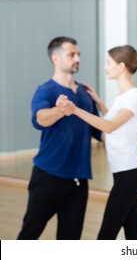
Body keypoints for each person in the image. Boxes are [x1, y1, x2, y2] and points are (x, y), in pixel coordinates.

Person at [17, 36, 102, 240]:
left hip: (79, 181)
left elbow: (99, 131)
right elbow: (39, 119)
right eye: (71, 54)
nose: (77, 58)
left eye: (79, 54)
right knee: (29, 234)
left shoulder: (85, 93)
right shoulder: (45, 90)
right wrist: (59, 110)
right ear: (55, 58)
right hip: (48, 177)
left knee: (70, 240)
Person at [59, 45, 137, 240]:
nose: (105, 67)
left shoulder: (134, 96)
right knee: (133, 234)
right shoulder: (124, 97)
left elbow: (109, 127)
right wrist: (98, 102)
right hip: (124, 174)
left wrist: (75, 110)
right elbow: (116, 122)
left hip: (130, 175)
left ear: (121, 66)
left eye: (108, 63)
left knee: (106, 236)